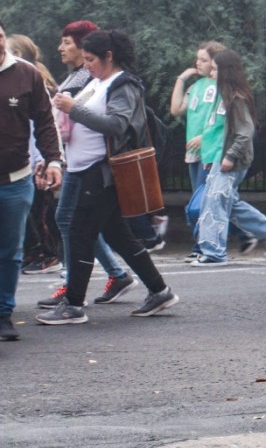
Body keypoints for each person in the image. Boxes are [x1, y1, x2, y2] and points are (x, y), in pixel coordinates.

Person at [40, 30, 177, 324]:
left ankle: (73, 304)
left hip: (102, 173)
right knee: (117, 235)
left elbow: (117, 125)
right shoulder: (98, 82)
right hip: (85, 170)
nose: (86, 65)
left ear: (109, 56)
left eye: (91, 59)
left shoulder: (123, 84)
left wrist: (73, 109)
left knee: (79, 232)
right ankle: (159, 290)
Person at [192, 49, 266, 265]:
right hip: (220, 158)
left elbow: (245, 132)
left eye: (215, 69)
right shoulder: (223, 96)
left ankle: (214, 253)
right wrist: (211, 156)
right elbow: (216, 132)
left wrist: (229, 157)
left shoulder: (236, 98)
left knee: (215, 204)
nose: (211, 73)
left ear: (225, 72)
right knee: (228, 203)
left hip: (230, 161)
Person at [0, 22, 64, 339]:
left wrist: (53, 160)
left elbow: (45, 121)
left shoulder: (27, 74)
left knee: (10, 252)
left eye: (0, 36)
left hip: (15, 180)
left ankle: (3, 314)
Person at [170, 41, 236, 260]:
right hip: (194, 151)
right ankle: (241, 234)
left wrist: (204, 137)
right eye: (197, 59)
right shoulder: (196, 86)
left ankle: (203, 246)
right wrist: (181, 79)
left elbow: (221, 120)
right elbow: (176, 109)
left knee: (204, 202)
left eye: (204, 60)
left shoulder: (222, 87)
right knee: (201, 199)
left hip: (211, 150)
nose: (198, 63)